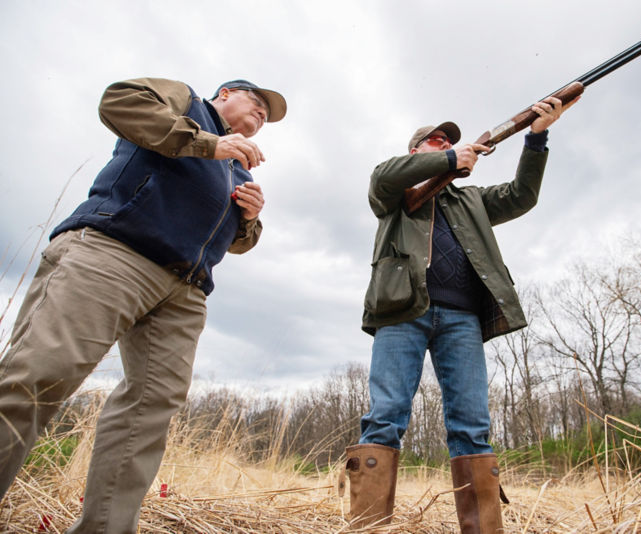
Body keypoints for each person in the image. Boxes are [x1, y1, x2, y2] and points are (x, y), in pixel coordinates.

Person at [0, 77, 286, 533]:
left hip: (185, 291)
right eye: (257, 105)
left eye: (266, 120)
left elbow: (235, 242)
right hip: (116, 252)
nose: (261, 118)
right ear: (226, 95)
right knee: (40, 372)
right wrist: (209, 144)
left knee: (150, 410)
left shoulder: (240, 170)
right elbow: (118, 102)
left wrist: (250, 218)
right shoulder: (185, 102)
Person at [344, 95, 577, 531]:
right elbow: (384, 174)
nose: (445, 143)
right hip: (401, 311)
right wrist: (451, 158)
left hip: (462, 319)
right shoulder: (395, 191)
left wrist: (537, 137)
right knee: (386, 416)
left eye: (449, 141)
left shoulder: (470, 199)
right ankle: (368, 528)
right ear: (416, 152)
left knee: (472, 425)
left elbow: (522, 196)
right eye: (435, 141)